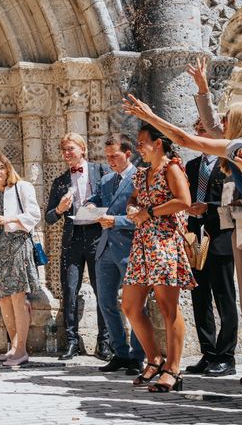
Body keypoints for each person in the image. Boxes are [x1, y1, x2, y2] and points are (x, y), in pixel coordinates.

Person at [123, 93, 242, 386]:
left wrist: (150, 117)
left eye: (227, 120)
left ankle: (178, 366)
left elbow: (184, 140)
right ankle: (161, 359)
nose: (220, 124)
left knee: (208, 300)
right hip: (154, 241)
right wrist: (202, 88)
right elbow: (191, 137)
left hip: (172, 240)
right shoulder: (235, 148)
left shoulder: (238, 149)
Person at [121, 124, 195, 392]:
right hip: (141, 243)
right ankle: (154, 358)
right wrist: (132, 208)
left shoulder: (171, 168)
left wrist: (149, 212)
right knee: (130, 305)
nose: (139, 147)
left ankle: (173, 369)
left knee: (168, 308)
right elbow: (133, 198)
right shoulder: (141, 175)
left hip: (164, 241)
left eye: (142, 142)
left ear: (159, 143)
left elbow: (184, 201)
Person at [44, 132, 111, 361]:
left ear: (82, 149)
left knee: (101, 288)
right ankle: (72, 342)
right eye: (64, 150)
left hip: (96, 235)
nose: (67, 154)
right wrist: (61, 209)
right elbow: (50, 217)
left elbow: (114, 198)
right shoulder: (60, 181)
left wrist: (99, 210)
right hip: (73, 239)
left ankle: (105, 342)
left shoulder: (100, 171)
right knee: (70, 290)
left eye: (71, 149)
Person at [85, 133, 145, 374]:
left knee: (137, 305)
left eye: (114, 156)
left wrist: (116, 220)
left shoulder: (140, 177)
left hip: (130, 249)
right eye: (107, 156)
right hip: (105, 249)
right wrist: (89, 206)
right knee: (106, 302)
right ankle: (119, 352)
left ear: (128, 153)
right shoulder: (107, 179)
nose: (109, 160)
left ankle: (138, 356)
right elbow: (95, 199)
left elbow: (144, 215)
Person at [183, 119, 238, 377]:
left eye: (203, 130)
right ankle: (208, 352)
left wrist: (209, 206)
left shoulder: (228, 164)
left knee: (225, 298)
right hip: (196, 236)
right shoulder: (192, 166)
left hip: (221, 236)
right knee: (200, 296)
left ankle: (227, 356)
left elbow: (233, 200)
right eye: (198, 131)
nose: (199, 135)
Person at [0, 154, 40, 367]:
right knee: (3, 298)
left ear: (8, 169)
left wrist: (11, 219)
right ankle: (14, 346)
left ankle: (22, 351)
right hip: (3, 247)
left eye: (2, 167)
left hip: (19, 245)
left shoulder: (22, 187)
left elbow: (35, 215)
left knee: (18, 298)